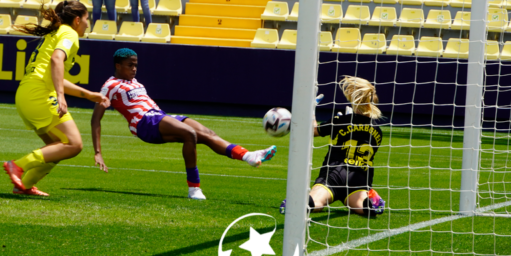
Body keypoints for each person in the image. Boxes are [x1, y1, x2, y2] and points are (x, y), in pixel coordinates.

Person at [91, 48, 276, 200]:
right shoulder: (110, 86)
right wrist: (98, 152)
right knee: (190, 134)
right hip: (144, 123)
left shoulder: (134, 81)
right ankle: (194, 189)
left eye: (136, 65)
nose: (134, 69)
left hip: (160, 115)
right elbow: (95, 119)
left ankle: (247, 156)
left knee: (207, 133)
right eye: (130, 65)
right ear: (118, 65)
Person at [2, 1, 110, 197]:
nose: (87, 24)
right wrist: (60, 96)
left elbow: (54, 73)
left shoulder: (56, 33)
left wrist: (89, 95)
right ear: (77, 20)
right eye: (87, 19)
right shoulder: (69, 33)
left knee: (59, 147)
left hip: (27, 93)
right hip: (40, 94)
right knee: (74, 144)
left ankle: (24, 185)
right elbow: (56, 60)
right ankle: (17, 166)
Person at [280, 76, 386, 218]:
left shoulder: (341, 121)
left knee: (316, 200)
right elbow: (359, 133)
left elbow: (313, 130)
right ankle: (369, 203)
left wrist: (311, 109)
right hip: (359, 177)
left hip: (334, 173)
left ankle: (299, 204)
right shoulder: (377, 131)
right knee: (361, 206)